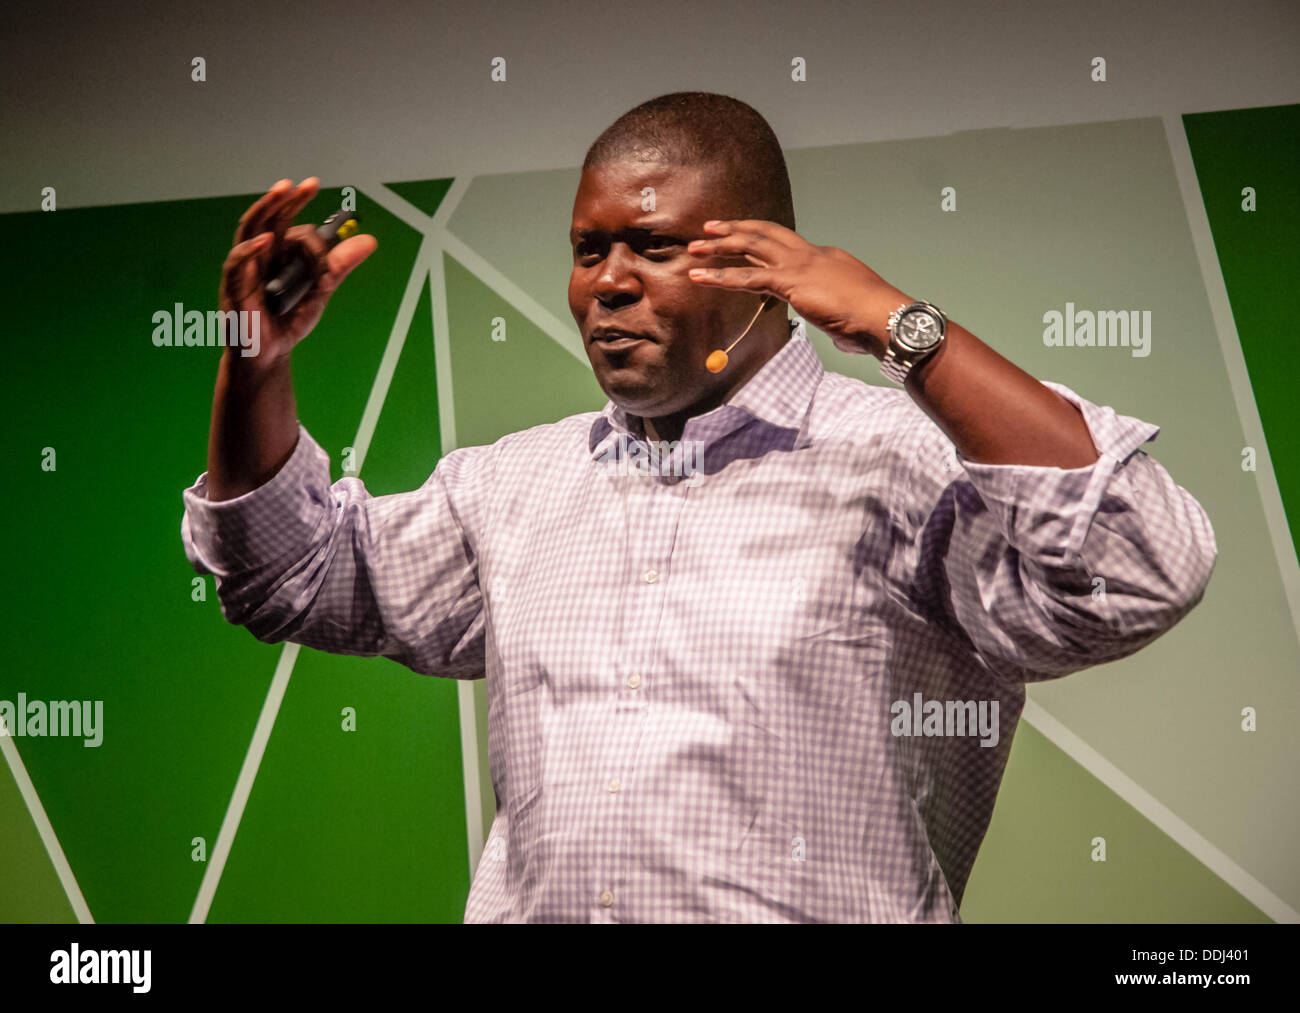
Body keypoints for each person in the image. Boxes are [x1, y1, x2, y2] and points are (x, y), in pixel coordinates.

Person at [181, 91, 1217, 922]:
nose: (608, 285)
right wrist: (252, 367)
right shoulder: (511, 485)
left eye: (655, 246)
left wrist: (905, 328)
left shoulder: (902, 463)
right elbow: (290, 574)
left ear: (764, 268)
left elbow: (1140, 568)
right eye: (589, 251)